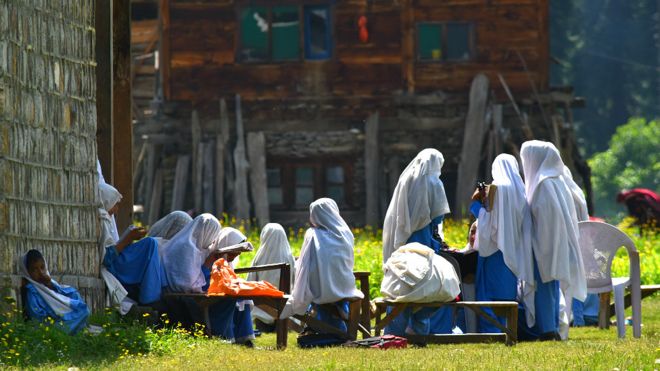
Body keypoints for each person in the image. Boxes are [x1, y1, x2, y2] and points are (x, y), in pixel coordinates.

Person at [382, 149, 457, 336]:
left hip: (406, 238)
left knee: (402, 282)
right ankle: (420, 327)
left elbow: (397, 215)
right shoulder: (434, 182)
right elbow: (438, 217)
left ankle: (394, 330)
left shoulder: (406, 179)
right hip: (423, 238)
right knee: (428, 283)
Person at [519, 140, 587, 340]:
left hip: (545, 246)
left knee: (544, 287)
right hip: (554, 245)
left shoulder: (543, 184)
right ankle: (552, 327)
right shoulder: (554, 181)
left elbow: (545, 220)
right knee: (550, 288)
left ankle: (548, 329)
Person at [280, 198, 363, 336]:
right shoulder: (346, 233)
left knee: (308, 281)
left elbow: (304, 262)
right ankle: (342, 309)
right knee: (335, 279)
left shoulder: (312, 234)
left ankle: (320, 324)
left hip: (320, 289)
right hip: (345, 285)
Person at [472, 154, 535, 333]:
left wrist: (475, 203)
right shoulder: (520, 189)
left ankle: (492, 330)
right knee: (508, 292)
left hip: (494, 249)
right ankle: (509, 328)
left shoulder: (496, 188)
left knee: (489, 293)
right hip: (513, 247)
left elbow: (487, 221)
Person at [98, 182, 167, 307]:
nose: (116, 209)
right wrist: (128, 239)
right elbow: (106, 258)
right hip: (112, 266)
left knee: (152, 244)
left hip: (115, 262)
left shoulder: (105, 219)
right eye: (115, 204)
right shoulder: (101, 220)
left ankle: (150, 293)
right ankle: (150, 297)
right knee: (150, 244)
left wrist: (129, 237)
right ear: (105, 201)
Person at [20, 250, 89, 334]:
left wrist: (49, 284)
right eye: (34, 270)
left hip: (58, 318)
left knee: (74, 295)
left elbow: (61, 294)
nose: (40, 272)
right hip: (48, 325)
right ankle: (61, 333)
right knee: (83, 311)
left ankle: (73, 327)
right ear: (27, 272)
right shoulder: (32, 290)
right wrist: (53, 316)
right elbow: (36, 316)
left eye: (42, 267)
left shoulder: (47, 282)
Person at [247, 223, 296, 328]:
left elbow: (250, 282)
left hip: (262, 311)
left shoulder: (259, 257)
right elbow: (295, 281)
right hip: (284, 307)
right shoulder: (289, 257)